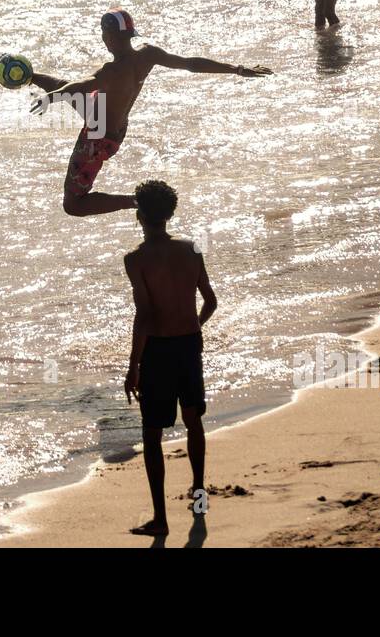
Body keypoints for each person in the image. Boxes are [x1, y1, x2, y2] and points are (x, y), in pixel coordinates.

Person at [28, 10, 272, 217]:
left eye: (104, 35)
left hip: (98, 138)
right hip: (110, 122)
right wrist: (237, 69)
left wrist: (50, 98)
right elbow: (190, 64)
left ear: (109, 37)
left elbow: (84, 84)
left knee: (73, 205)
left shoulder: (111, 71)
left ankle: (138, 201)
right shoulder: (148, 54)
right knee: (69, 89)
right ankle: (30, 76)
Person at [122, 180, 217, 537]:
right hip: (189, 344)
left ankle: (160, 518)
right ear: (171, 213)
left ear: (139, 216)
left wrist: (133, 366)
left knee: (152, 432)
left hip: (159, 351)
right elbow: (210, 300)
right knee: (193, 419)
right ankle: (199, 495)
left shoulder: (136, 259)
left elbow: (144, 316)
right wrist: (195, 325)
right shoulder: (191, 250)